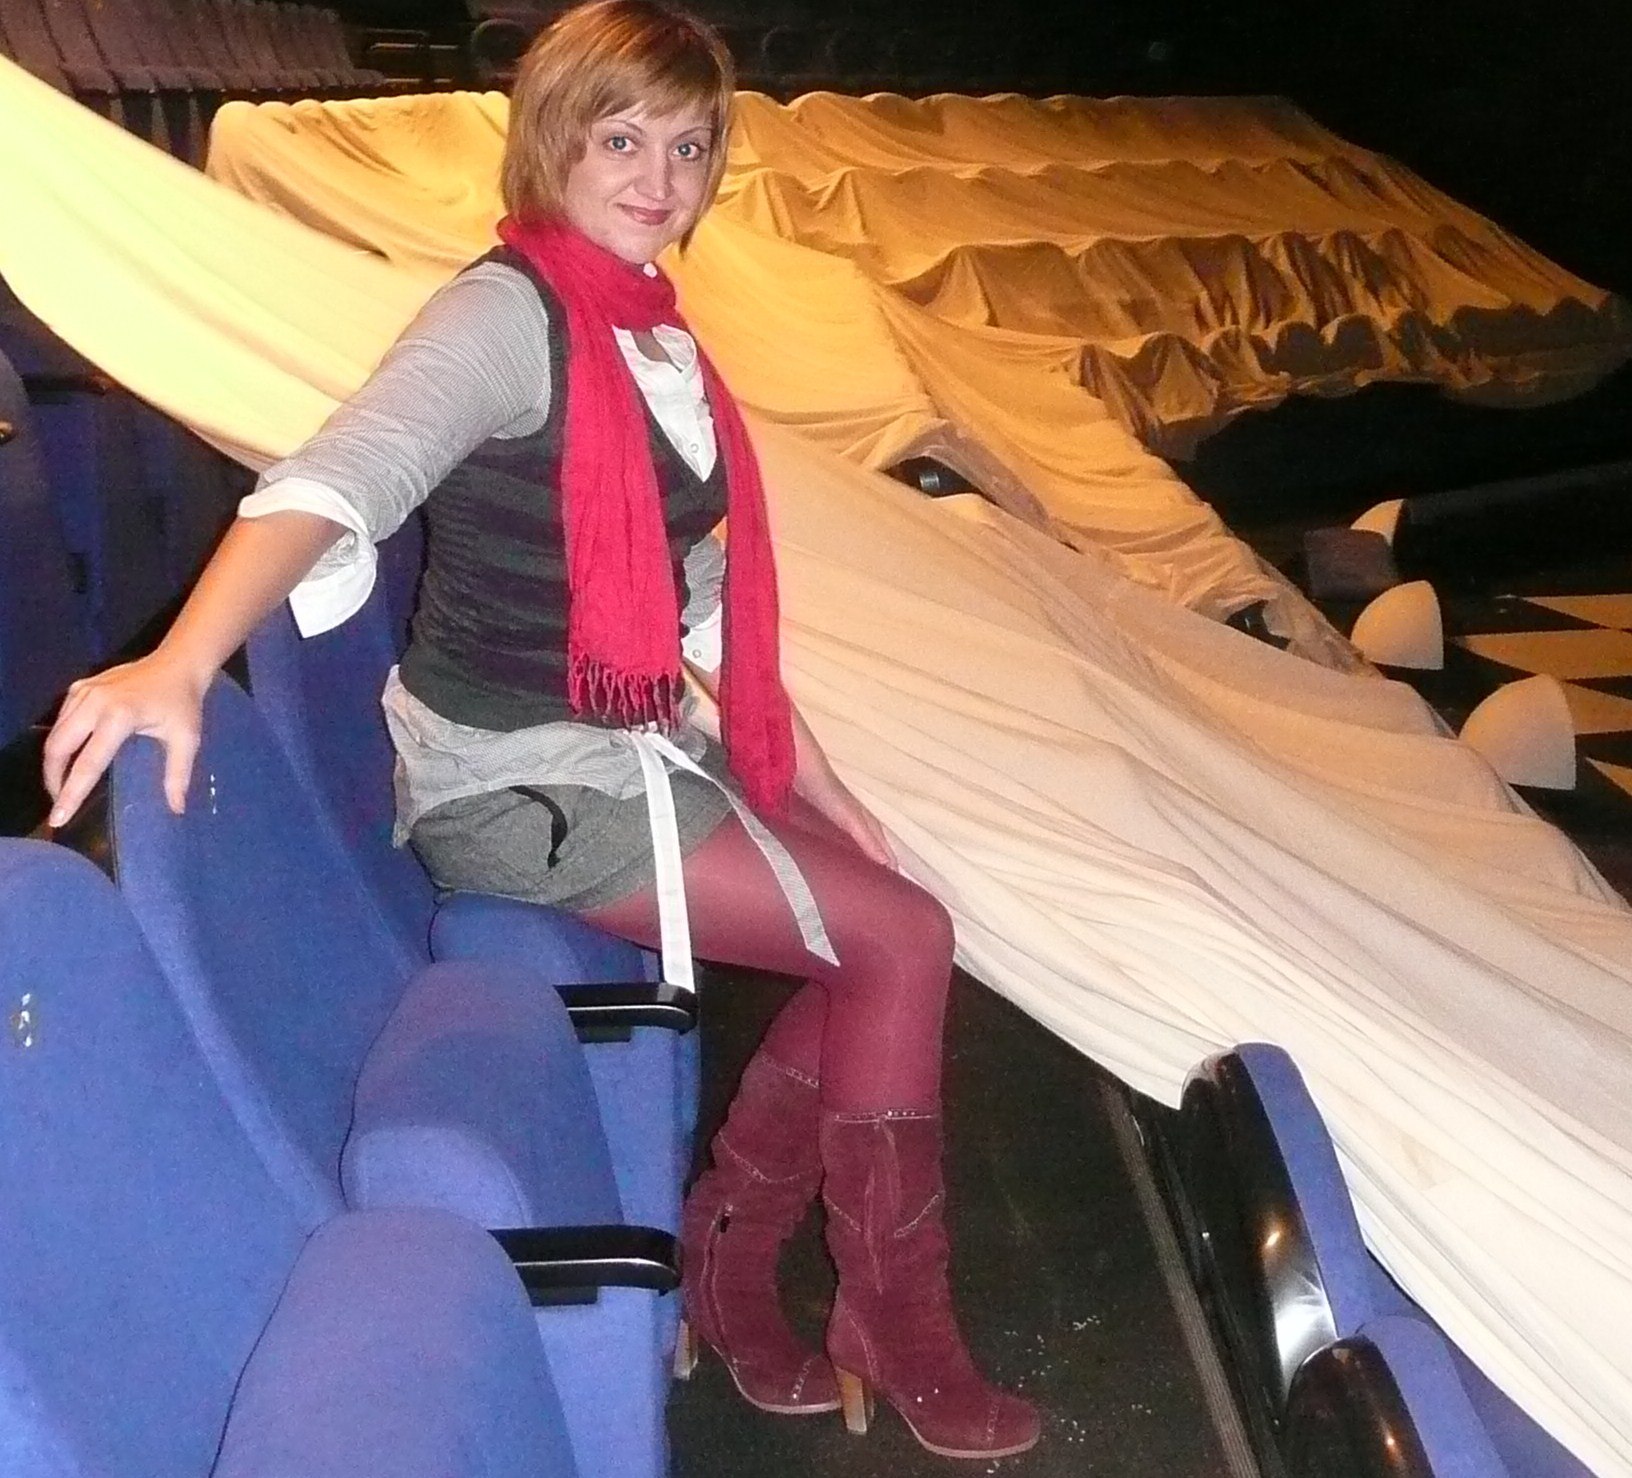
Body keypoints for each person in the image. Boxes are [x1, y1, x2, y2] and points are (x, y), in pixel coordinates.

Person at [39, 0, 1040, 1460]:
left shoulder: (650, 324)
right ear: (553, 140)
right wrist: (181, 660)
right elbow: (341, 475)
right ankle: (885, 1315)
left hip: (622, 741)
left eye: (688, 146)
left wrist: (813, 780)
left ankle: (729, 1262)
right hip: (514, 782)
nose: (658, 177)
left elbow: (694, 601)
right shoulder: (508, 317)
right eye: (622, 139)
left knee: (884, 919)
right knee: (902, 940)